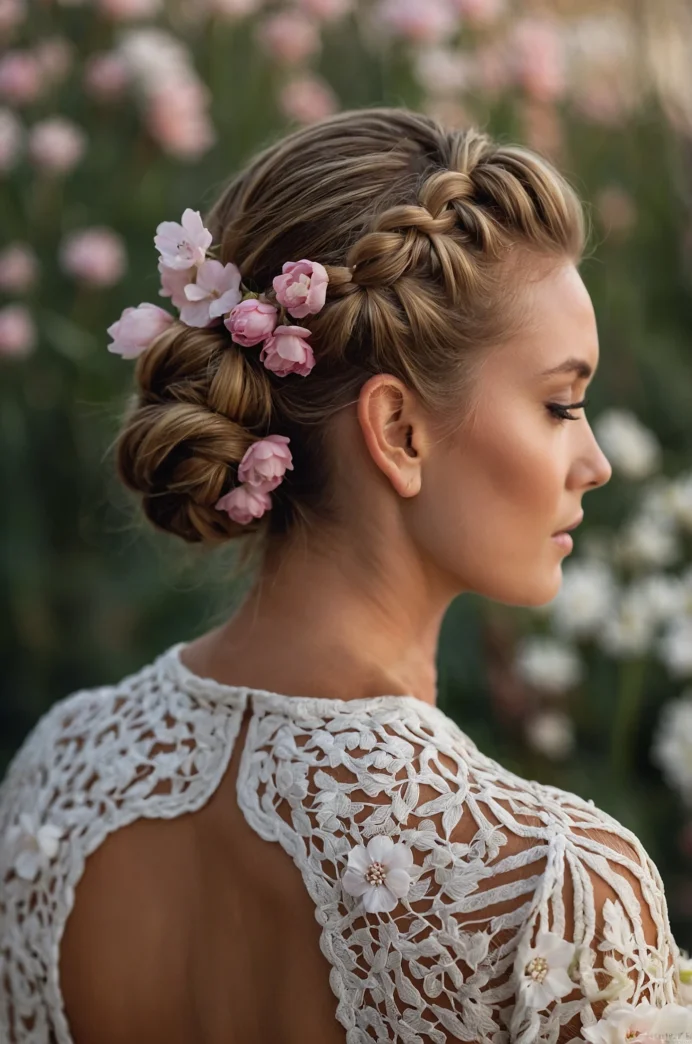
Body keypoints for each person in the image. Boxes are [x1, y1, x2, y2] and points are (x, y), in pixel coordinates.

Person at [0, 107, 686, 1044]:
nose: (595, 460)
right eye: (561, 403)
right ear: (399, 431)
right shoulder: (545, 887)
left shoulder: (59, 775)